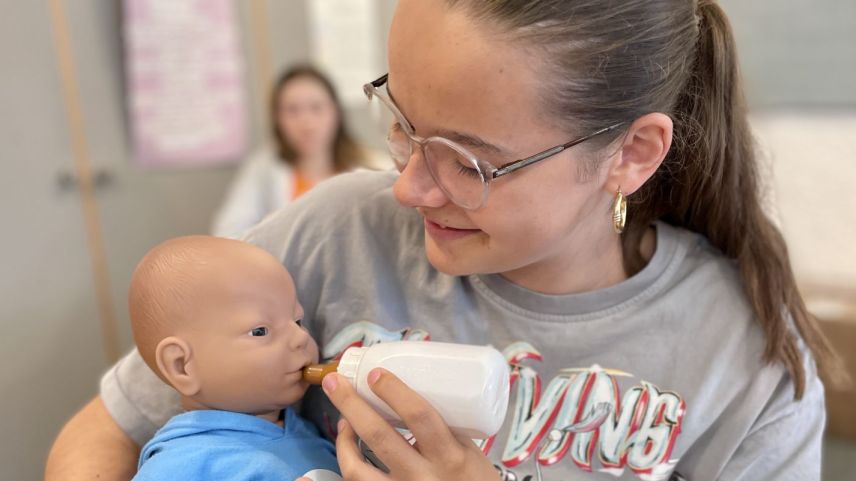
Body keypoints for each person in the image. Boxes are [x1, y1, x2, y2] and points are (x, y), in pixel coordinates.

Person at [47, 1, 843, 480]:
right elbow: (110, 426)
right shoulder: (334, 234)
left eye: (468, 162)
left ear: (631, 153)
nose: (408, 188)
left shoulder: (748, 360)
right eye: (402, 124)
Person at [127, 236, 340, 481]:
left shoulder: (306, 434)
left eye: (297, 321)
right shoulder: (182, 463)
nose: (300, 338)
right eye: (260, 331)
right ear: (181, 365)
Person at [212, 65, 366, 239]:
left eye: (316, 108)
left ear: (335, 111)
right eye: (292, 111)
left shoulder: (371, 166)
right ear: (277, 119)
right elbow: (228, 233)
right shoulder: (263, 168)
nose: (306, 123)